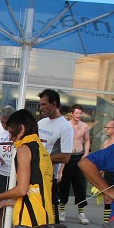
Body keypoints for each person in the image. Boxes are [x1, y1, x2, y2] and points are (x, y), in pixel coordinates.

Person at [36, 89, 73, 220]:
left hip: (49, 175)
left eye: (44, 104)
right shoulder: (41, 123)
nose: (41, 108)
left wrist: (42, 158)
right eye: (40, 104)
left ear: (54, 104)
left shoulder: (65, 127)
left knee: (50, 214)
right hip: (34, 171)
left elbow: (66, 157)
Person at [55, 104, 91, 225]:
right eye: (77, 113)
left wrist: (86, 154)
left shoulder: (84, 126)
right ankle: (62, 211)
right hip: (68, 156)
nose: (79, 115)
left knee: (80, 185)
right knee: (64, 183)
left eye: (80, 113)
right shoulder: (66, 125)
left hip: (79, 156)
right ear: (71, 113)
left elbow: (87, 140)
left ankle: (81, 212)